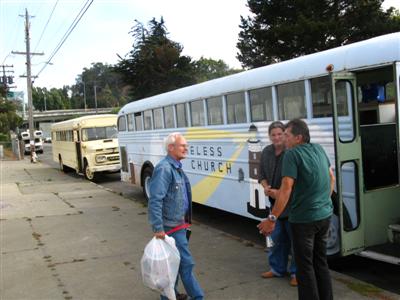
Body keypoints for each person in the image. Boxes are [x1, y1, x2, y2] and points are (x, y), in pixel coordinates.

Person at [257, 119, 335, 300]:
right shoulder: (319, 149)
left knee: (305, 267)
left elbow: (285, 189)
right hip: (324, 216)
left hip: (304, 220)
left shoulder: (292, 154)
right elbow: (331, 178)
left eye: (286, 135)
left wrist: (271, 219)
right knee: (320, 263)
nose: (283, 138)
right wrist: (323, 201)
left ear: (298, 138)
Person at [148, 132, 204, 300]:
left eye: (186, 145)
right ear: (171, 148)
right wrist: (158, 228)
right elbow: (155, 200)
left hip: (179, 225)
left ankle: (169, 296)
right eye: (183, 145)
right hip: (171, 228)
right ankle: (198, 297)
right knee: (186, 264)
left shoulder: (176, 167)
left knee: (173, 264)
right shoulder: (165, 169)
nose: (186, 148)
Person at [258, 121, 297, 287]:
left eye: (280, 134)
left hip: (292, 206)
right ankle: (276, 269)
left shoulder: (291, 153)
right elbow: (261, 174)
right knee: (275, 239)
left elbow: (292, 182)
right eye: (273, 135)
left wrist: (278, 192)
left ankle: (296, 273)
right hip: (274, 205)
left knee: (296, 243)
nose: (276, 137)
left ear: (285, 134)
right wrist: (266, 186)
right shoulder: (266, 152)